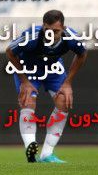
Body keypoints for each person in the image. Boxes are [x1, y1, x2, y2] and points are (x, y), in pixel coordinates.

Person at [6, 10, 87, 163]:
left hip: (53, 69)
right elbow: (10, 52)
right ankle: (31, 148)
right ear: (43, 27)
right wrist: (24, 82)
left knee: (64, 101)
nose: (50, 35)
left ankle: (47, 154)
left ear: (63, 28)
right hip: (28, 69)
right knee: (28, 101)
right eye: (47, 31)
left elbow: (82, 54)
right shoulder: (31, 36)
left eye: (55, 31)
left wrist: (68, 83)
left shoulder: (71, 37)